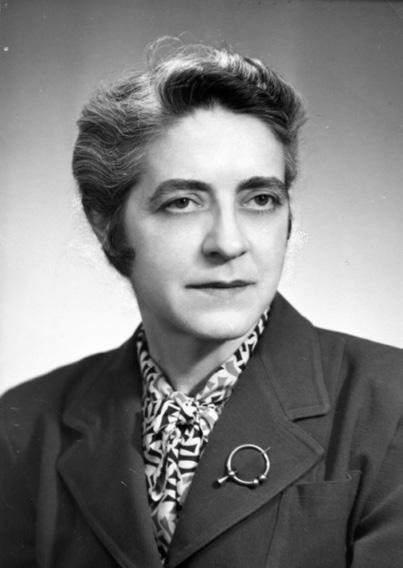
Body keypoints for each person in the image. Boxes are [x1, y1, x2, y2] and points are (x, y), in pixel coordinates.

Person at [0, 42, 402, 568]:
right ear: (107, 225)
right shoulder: (23, 425)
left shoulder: (390, 403)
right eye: (183, 202)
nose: (228, 243)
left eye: (260, 199)